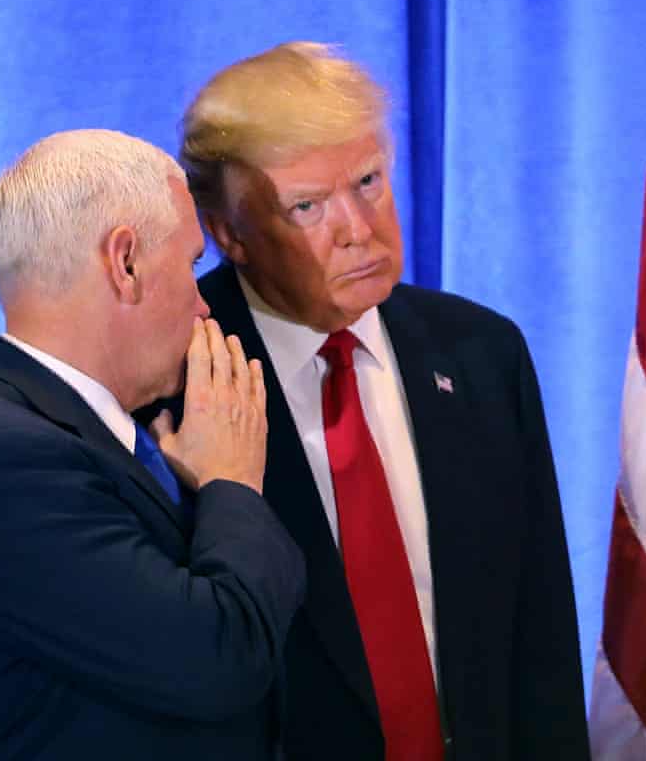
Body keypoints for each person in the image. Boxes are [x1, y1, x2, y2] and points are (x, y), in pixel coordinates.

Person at [178, 42, 589, 760]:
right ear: (227, 235)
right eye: (307, 206)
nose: (359, 229)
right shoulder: (177, 378)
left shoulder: (481, 352)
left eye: (367, 180)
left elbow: (540, 639)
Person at [0, 129, 306, 760]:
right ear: (125, 262)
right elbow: (217, 659)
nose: (204, 306)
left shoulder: (95, 437)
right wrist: (233, 483)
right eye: (193, 263)